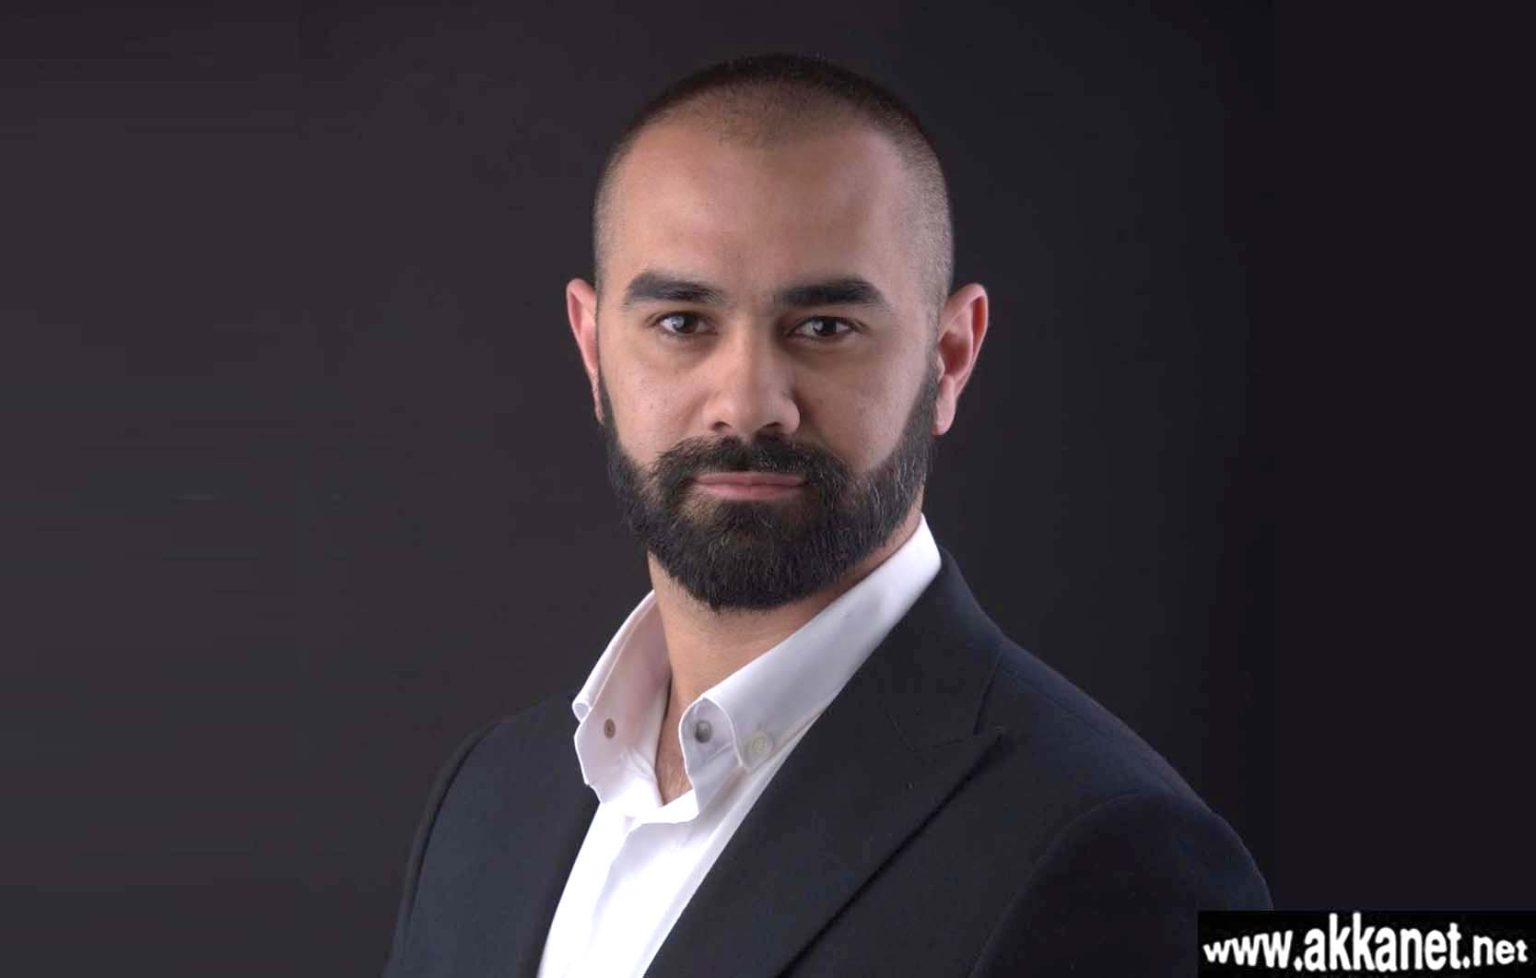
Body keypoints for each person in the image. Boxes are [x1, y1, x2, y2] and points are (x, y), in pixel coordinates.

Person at [381, 52, 1269, 978]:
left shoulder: (1120, 853)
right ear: (593, 350)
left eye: (824, 328)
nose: (748, 404)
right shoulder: (487, 801)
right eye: (682, 322)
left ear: (949, 358)